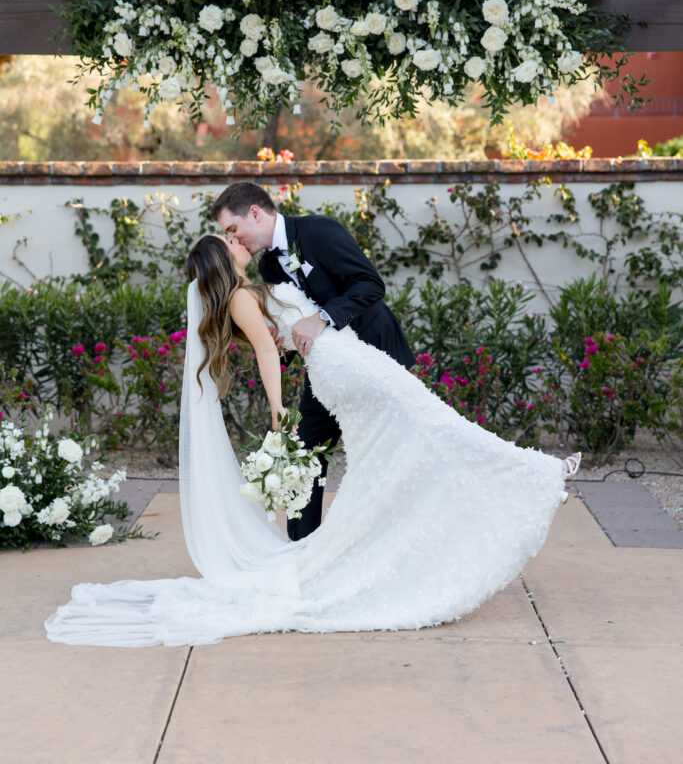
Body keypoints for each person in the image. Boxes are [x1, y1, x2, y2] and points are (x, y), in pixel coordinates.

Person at [45, 230, 581, 649]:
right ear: (217, 261)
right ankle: (534, 476)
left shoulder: (251, 288)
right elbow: (263, 350)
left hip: (344, 361)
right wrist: (278, 407)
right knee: (431, 427)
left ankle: (526, 478)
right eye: (226, 242)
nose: (235, 241)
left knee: (427, 431)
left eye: (233, 234)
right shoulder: (239, 300)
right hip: (342, 364)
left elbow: (272, 334)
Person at [210, 181, 415, 540]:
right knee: (302, 453)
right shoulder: (270, 265)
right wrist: (283, 343)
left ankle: (393, 543)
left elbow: (370, 285)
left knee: (386, 455)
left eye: (232, 229)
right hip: (327, 372)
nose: (234, 240)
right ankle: (301, 550)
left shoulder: (319, 231)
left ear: (254, 213)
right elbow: (297, 323)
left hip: (375, 355)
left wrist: (322, 317)